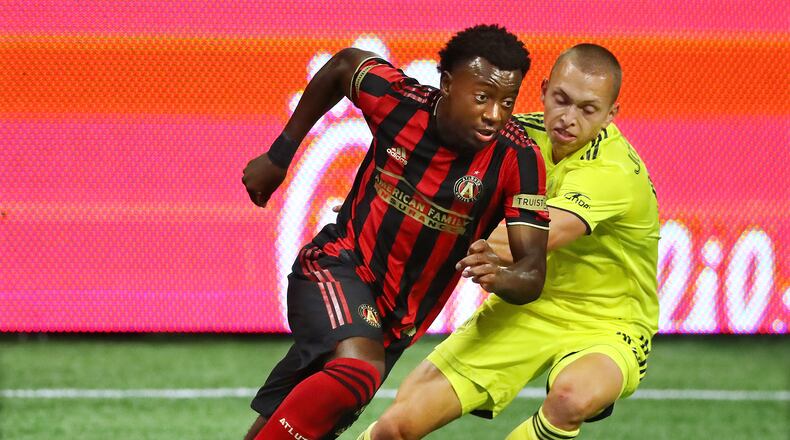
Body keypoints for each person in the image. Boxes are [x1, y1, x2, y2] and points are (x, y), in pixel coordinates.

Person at [241, 25, 552, 440]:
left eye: (507, 102)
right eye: (482, 97)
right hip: (336, 266)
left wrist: (503, 275)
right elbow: (344, 65)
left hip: (395, 325)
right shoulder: (400, 102)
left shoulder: (520, 159)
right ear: (447, 84)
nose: (495, 114)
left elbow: (533, 273)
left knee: (298, 420)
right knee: (357, 369)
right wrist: (280, 155)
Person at [357, 44, 660, 440]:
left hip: (608, 323)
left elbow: (528, 239)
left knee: (571, 397)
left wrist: (413, 218)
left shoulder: (613, 172)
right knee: (397, 425)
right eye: (561, 100)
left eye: (588, 109)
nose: (569, 118)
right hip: (526, 305)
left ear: (610, 114)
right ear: (544, 90)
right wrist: (382, 204)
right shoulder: (518, 137)